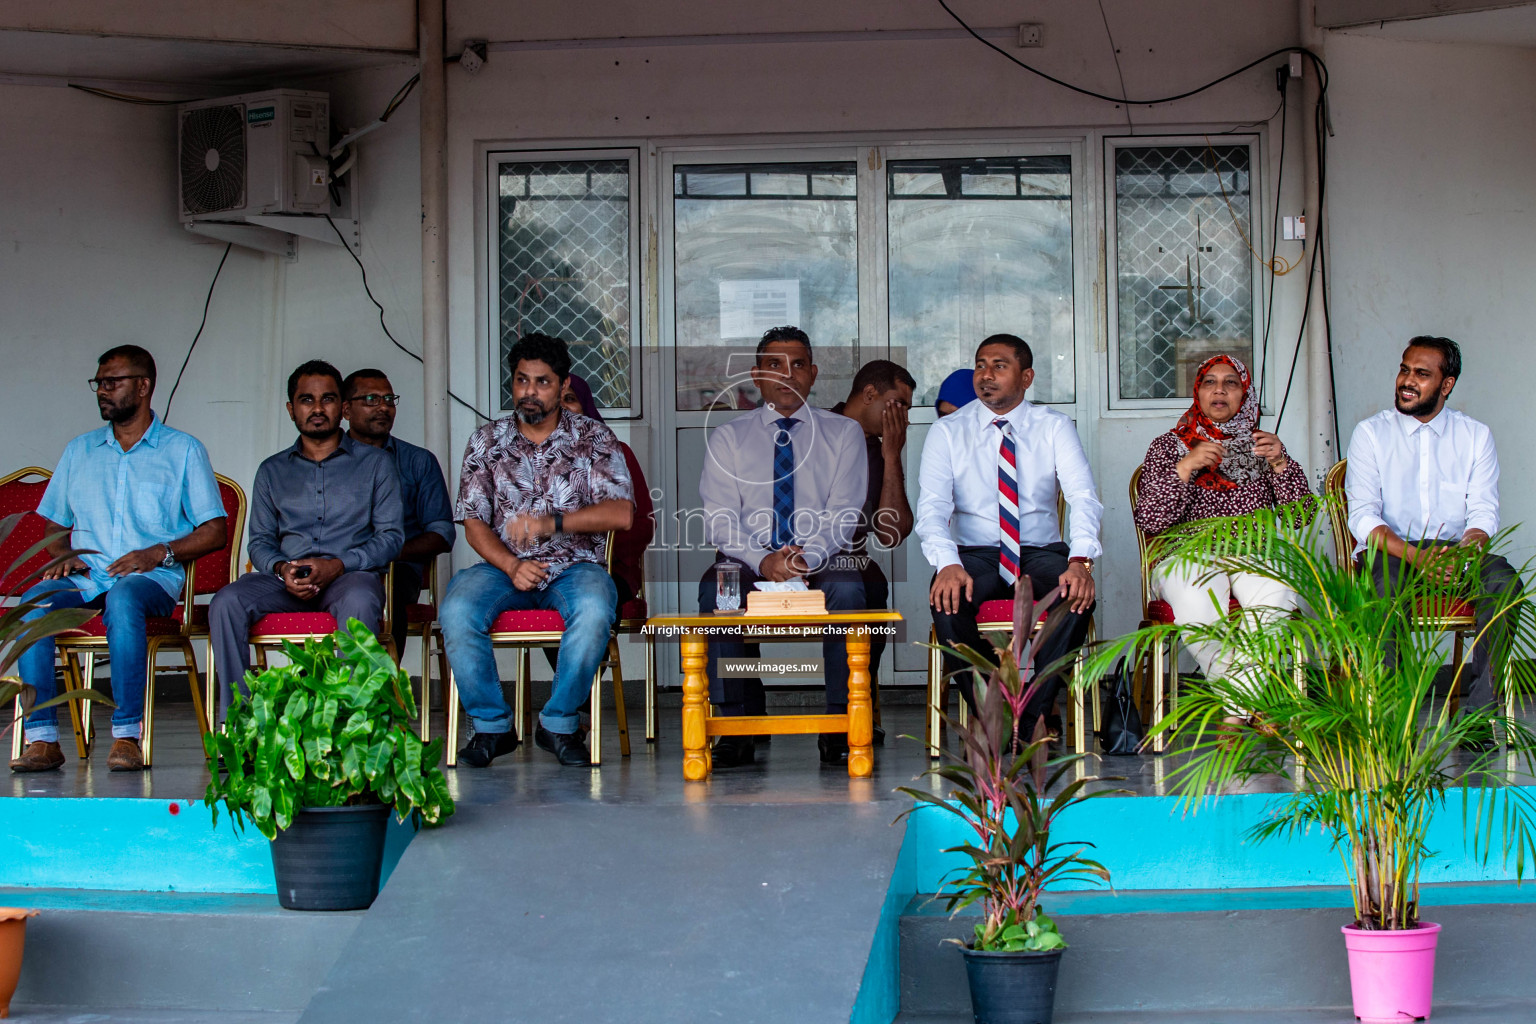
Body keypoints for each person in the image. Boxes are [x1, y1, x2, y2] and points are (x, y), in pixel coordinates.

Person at [10, 346, 228, 773]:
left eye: (113, 382)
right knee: (34, 601)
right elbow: (53, 525)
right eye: (99, 383)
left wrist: (158, 553)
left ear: (144, 386)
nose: (102, 391)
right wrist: (66, 554)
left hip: (152, 579)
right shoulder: (80, 451)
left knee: (124, 599)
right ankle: (42, 741)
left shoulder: (183, 450)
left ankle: (127, 734)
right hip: (89, 576)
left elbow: (214, 531)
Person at [440, 334, 634, 768]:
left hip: (574, 567)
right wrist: (511, 564)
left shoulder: (594, 439)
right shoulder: (486, 441)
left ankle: (559, 724)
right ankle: (491, 727)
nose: (530, 391)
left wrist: (551, 523)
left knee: (595, 606)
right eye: (522, 380)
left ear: (563, 386)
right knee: (456, 608)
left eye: (542, 382)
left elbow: (622, 513)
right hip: (500, 569)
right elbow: (473, 521)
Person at [697, 325, 869, 767]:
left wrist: (806, 557)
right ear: (756, 375)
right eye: (774, 365)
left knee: (850, 590)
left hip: (822, 556)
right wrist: (763, 559)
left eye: (797, 366)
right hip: (750, 557)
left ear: (812, 374)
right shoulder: (729, 438)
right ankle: (740, 721)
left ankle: (840, 720)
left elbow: (845, 511)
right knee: (720, 590)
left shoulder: (844, 433)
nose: (787, 375)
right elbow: (720, 517)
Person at [916, 334, 1101, 738]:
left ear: (1026, 376)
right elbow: (932, 508)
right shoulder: (948, 432)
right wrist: (946, 563)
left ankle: (1031, 712)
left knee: (1076, 593)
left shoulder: (1054, 427)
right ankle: (990, 712)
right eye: (981, 365)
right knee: (947, 600)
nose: (986, 375)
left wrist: (1081, 559)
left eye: (1000, 365)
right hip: (975, 554)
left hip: (1039, 552)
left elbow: (1083, 498)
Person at [208, 361, 403, 713]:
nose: (316, 409)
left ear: (342, 407)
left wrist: (337, 565)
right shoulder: (271, 470)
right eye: (306, 400)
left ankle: (349, 724)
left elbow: (391, 537)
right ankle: (237, 723)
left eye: (327, 399)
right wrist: (281, 568)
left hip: (349, 578)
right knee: (226, 602)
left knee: (360, 602)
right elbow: (261, 541)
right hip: (286, 582)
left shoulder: (375, 464)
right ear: (291, 409)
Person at [1345, 336, 1521, 721]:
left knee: (1504, 581)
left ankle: (1479, 716)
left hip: (1454, 555)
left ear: (1447, 385)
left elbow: (1483, 513)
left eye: (1422, 374)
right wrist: (1416, 556)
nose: (1407, 380)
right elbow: (1362, 515)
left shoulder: (1475, 436)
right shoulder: (1371, 433)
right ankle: (1394, 720)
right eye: (1404, 369)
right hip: (1393, 553)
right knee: (1382, 592)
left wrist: (1465, 551)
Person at [1133, 354, 1311, 723]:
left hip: (1255, 551)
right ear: (1197, 392)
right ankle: (1247, 705)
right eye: (1209, 382)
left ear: (1244, 393)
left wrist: (1280, 463)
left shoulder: (1263, 445)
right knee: (1197, 604)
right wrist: (1186, 466)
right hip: (1188, 553)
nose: (1219, 390)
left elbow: (1301, 516)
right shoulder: (1169, 447)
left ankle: (1233, 710)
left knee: (1276, 595)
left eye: (1230, 382)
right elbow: (1151, 518)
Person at [341, 368, 455, 653]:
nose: (383, 407)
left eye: (389, 399)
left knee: (388, 588)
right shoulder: (327, 460)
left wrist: (384, 552)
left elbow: (442, 533)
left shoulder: (418, 461)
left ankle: (384, 688)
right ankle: (312, 688)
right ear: (346, 409)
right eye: (371, 399)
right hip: (335, 565)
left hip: (397, 567)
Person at [830, 359, 916, 695]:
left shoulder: (881, 447)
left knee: (872, 583)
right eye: (899, 405)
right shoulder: (816, 427)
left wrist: (892, 456)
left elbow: (891, 533)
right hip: (794, 551)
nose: (903, 418)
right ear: (869, 394)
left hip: (848, 558)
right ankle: (744, 717)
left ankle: (858, 700)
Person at [558, 373, 654, 608]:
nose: (561, 408)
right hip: (546, 570)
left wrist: (593, 551)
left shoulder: (616, 453)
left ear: (585, 406)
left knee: (586, 598)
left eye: (569, 399)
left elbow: (643, 524)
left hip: (609, 568)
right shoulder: (529, 460)